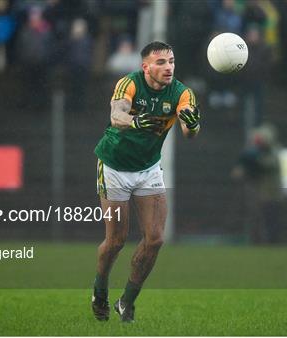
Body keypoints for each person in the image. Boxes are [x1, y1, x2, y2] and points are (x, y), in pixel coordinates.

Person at [92, 41, 200, 323]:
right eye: (161, 62)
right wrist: (136, 122)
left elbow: (190, 132)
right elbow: (116, 115)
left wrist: (194, 123)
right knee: (116, 241)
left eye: (172, 61)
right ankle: (100, 288)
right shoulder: (129, 83)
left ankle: (127, 301)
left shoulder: (182, 93)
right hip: (114, 166)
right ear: (145, 67)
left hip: (148, 169)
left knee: (155, 239)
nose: (168, 67)